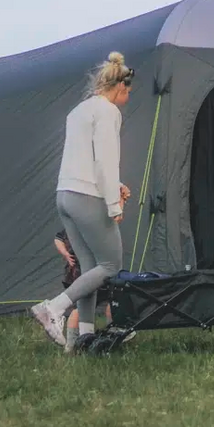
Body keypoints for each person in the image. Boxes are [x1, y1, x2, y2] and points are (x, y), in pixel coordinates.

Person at [30, 52, 136, 353]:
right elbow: (104, 160)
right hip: (88, 197)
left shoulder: (78, 111)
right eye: (128, 93)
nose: (127, 99)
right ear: (120, 88)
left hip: (66, 195)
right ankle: (54, 308)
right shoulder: (108, 112)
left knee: (90, 267)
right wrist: (114, 203)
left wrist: (113, 185)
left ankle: (81, 340)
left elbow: (83, 160)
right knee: (111, 264)